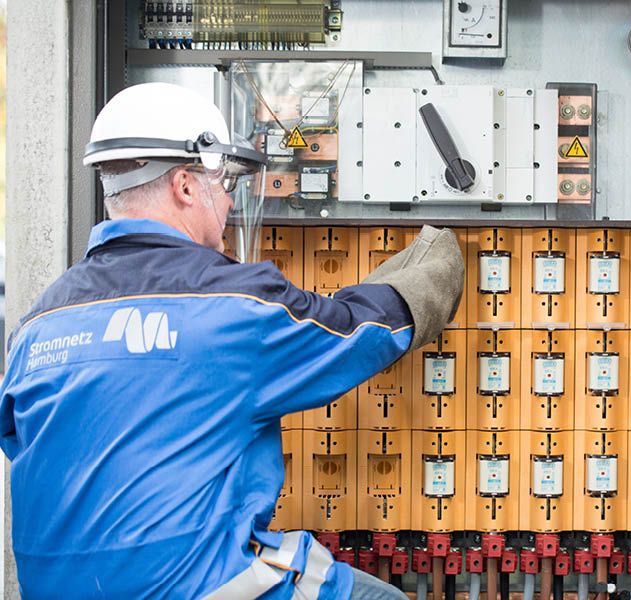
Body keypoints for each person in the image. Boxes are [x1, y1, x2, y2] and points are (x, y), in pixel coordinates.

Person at [0, 82, 464, 599]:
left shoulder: (38, 325)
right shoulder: (230, 305)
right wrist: (431, 271)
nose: (227, 203)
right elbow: (358, 334)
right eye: (223, 185)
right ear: (184, 186)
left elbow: (29, 445)